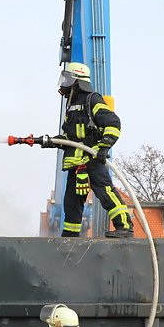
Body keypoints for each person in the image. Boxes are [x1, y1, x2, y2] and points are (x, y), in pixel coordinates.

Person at [46, 62, 134, 238]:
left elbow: (113, 123)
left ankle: (124, 227)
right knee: (71, 201)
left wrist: (104, 146)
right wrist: (52, 141)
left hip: (92, 158)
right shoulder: (70, 106)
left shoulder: (92, 99)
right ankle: (70, 237)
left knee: (105, 192)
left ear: (77, 81)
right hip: (75, 163)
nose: (64, 84)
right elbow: (70, 138)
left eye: (68, 79)